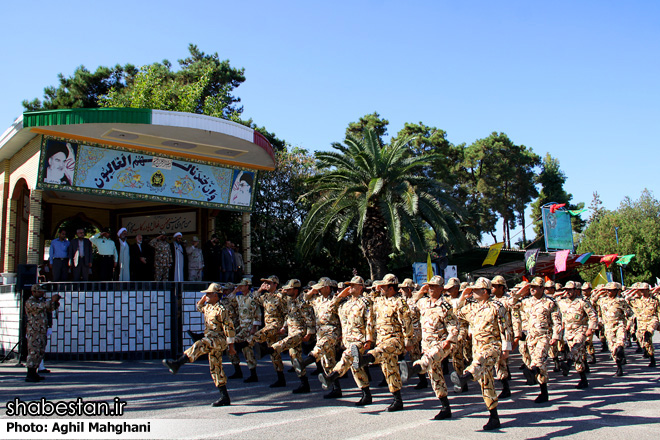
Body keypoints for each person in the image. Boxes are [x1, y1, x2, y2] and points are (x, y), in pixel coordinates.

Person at [451, 277, 512, 431]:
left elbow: (505, 328)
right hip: (477, 348)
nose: (473, 292)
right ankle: (494, 416)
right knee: (486, 383)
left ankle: (465, 376)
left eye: (476, 290)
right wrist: (463, 296)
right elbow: (456, 312)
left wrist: (506, 348)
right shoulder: (472, 308)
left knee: (480, 362)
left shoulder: (497, 307)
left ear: (484, 291)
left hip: (492, 347)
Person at [163, 283, 236, 406]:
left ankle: (178, 363)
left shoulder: (222, 309)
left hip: (219, 339)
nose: (206, 295)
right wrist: (203, 299)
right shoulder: (208, 307)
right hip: (210, 339)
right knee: (215, 367)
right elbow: (199, 307)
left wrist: (231, 347)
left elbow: (229, 328)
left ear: (216, 295)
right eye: (206, 293)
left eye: (209, 293)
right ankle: (225, 397)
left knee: (199, 344)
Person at [353, 274, 414, 412]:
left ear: (391, 288)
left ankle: (364, 359)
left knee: (380, 352)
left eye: (384, 286)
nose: (381, 288)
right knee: (389, 369)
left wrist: (408, 340)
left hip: (395, 339)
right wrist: (376, 288)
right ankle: (397, 400)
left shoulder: (400, 302)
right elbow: (368, 301)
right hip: (382, 340)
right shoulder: (379, 300)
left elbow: (406, 322)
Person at [319, 276, 375, 405]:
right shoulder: (346, 303)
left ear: (360, 287)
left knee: (347, 356)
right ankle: (366, 394)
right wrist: (339, 297)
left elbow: (369, 320)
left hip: (359, 339)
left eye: (353, 286)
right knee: (356, 367)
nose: (350, 288)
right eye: (349, 285)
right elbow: (330, 309)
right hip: (348, 339)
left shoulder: (366, 302)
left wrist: (369, 339)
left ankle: (331, 377)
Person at [410, 275, 458, 420]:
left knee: (428, 359)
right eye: (429, 286)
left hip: (441, 344)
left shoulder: (445, 306)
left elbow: (453, 326)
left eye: (434, 286)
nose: (431, 289)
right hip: (426, 345)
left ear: (441, 289)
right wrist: (420, 292)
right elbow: (409, 306)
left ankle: (414, 369)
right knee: (435, 376)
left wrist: (449, 340)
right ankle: (445, 407)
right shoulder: (423, 303)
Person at [259, 279, 316, 394]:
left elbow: (309, 318)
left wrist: (309, 333)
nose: (287, 291)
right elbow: (288, 315)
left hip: (300, 331)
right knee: (295, 357)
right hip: (291, 329)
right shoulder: (289, 300)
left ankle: (270, 349)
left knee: (288, 341)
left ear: (295, 290)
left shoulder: (302, 301)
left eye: (289, 289)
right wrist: (284, 327)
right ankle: (304, 384)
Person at [512, 277, 562, 403]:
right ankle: (543, 390)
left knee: (538, 360)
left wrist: (556, 336)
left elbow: (557, 321)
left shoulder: (550, 302)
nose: (532, 289)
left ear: (542, 288)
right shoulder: (527, 302)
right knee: (541, 365)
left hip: (544, 336)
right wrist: (520, 292)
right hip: (531, 337)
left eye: (535, 287)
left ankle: (531, 372)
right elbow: (511, 303)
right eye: (531, 287)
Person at [293, 277, 343, 399]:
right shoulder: (317, 300)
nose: (319, 290)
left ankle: (304, 363)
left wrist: (343, 335)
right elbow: (301, 301)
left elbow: (343, 317)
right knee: (328, 361)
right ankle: (336, 388)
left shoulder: (336, 299)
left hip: (332, 331)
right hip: (320, 332)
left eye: (321, 288)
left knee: (320, 348)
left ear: (327, 287)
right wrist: (311, 292)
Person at [556, 281, 598, 388]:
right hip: (569, 333)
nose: (568, 292)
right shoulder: (562, 303)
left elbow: (593, 316)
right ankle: (583, 378)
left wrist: (590, 328)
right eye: (566, 290)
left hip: (581, 330)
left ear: (576, 290)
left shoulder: (582, 302)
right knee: (578, 357)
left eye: (570, 290)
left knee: (576, 346)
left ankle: (568, 363)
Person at [592, 282, 633, 376]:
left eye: (611, 290)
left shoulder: (621, 301)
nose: (608, 292)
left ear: (616, 291)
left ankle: (621, 349)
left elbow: (630, 314)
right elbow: (593, 300)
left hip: (619, 325)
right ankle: (619, 367)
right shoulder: (602, 300)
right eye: (607, 290)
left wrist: (629, 325)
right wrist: (600, 291)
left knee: (620, 343)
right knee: (613, 349)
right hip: (608, 327)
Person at [24, 284, 61, 382]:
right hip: (34, 331)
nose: (42, 293)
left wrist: (55, 302)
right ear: (34, 292)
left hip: (41, 331)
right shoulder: (30, 302)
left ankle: (35, 371)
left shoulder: (41, 301)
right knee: (33, 351)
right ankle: (30, 373)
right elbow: (42, 306)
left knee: (40, 351)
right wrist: (52, 301)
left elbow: (50, 308)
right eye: (39, 291)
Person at [490, 275, 516, 398]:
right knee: (500, 361)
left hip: (506, 333)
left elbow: (516, 318)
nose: (492, 288)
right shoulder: (491, 301)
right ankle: (505, 382)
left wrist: (517, 335)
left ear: (501, 287)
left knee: (501, 360)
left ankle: (506, 386)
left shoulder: (509, 301)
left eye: (494, 286)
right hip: (495, 334)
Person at [399, 278, 426, 390]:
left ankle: (422, 379)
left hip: (415, 331)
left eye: (403, 288)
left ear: (409, 289)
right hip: (405, 330)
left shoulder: (418, 300)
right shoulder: (402, 300)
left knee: (414, 354)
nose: (401, 290)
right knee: (409, 354)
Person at [625, 282, 660, 368]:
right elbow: (626, 299)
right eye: (641, 291)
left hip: (652, 320)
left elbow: (658, 311)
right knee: (641, 339)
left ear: (648, 290)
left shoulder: (655, 300)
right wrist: (634, 291)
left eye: (644, 290)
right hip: (641, 322)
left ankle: (652, 358)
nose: (642, 292)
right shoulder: (637, 301)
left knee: (647, 335)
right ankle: (648, 352)